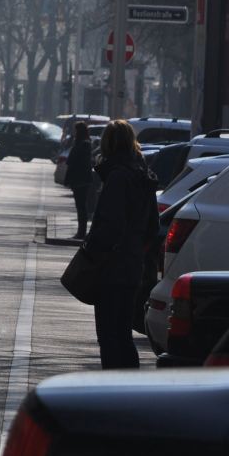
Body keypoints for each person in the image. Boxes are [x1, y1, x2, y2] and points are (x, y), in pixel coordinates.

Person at [84, 119, 159, 369]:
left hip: (111, 267)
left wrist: (93, 252)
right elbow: (153, 227)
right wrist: (138, 251)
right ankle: (128, 384)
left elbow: (110, 226)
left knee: (108, 334)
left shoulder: (117, 177)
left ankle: (111, 387)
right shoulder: (143, 176)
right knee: (123, 332)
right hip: (133, 265)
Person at [64, 121, 93, 239]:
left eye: (75, 130)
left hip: (81, 180)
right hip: (79, 179)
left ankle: (81, 232)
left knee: (81, 207)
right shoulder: (81, 143)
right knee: (80, 206)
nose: (74, 133)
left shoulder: (83, 144)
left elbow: (75, 161)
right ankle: (81, 231)